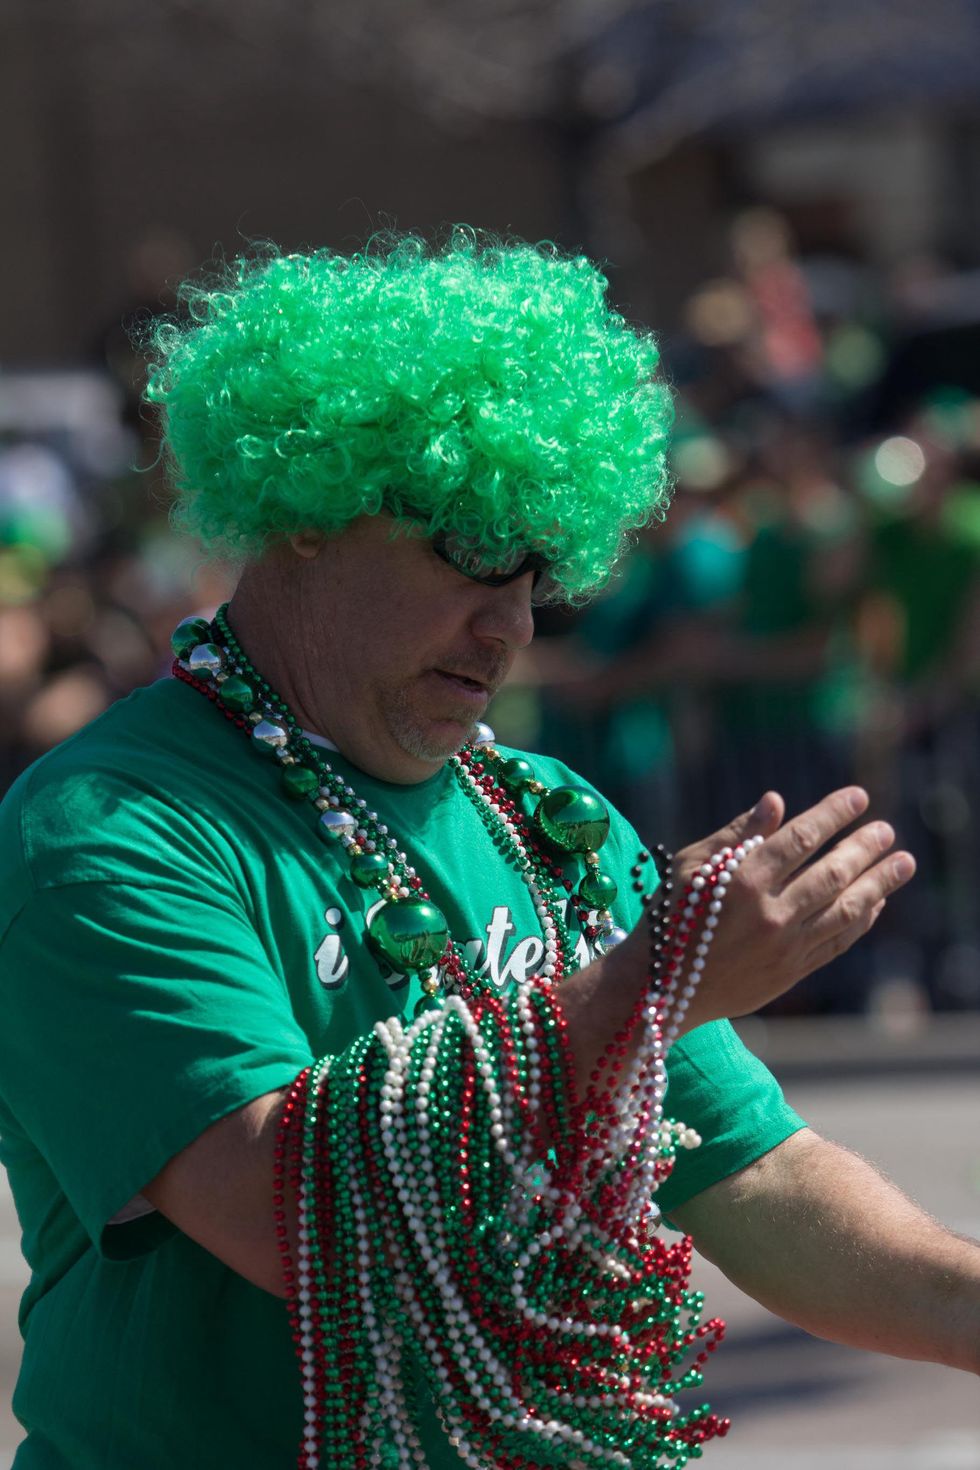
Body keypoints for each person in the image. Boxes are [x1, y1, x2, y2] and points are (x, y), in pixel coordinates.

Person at [0, 232, 975, 1470]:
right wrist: (643, 984)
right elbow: (281, 1212)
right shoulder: (106, 832)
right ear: (308, 509)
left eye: (540, 572)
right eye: (470, 550)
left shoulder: (547, 820)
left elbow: (763, 1185)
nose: (510, 623)